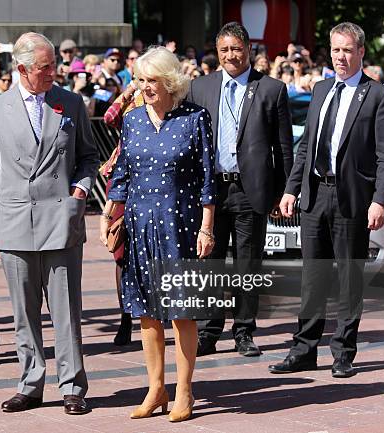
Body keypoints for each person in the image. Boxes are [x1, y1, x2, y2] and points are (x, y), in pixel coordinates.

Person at [0, 32, 98, 415]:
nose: (53, 73)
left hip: (61, 221)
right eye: (45, 67)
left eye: (54, 66)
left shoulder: (70, 103)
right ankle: (30, 384)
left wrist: (80, 189)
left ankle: (73, 386)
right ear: (22, 69)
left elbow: (89, 157)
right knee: (23, 314)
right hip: (14, 222)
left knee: (66, 311)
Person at [269, 22, 384, 378]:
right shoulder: (322, 89)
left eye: (347, 50)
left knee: (348, 276)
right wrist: (291, 189)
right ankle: (303, 350)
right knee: (313, 275)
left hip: (352, 199)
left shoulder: (377, 96)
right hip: (314, 194)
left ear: (361, 53)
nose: (340, 57)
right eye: (335, 50)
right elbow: (307, 146)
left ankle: (343, 352)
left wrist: (380, 200)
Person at [101, 46, 215, 422]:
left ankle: (185, 390)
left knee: (182, 312)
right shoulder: (132, 121)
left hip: (180, 225)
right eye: (140, 80)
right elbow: (121, 175)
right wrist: (108, 212)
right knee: (147, 314)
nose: (145, 87)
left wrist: (207, 227)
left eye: (152, 81)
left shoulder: (194, 118)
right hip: (139, 225)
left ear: (170, 83)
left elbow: (207, 180)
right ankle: (156, 388)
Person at [187, 22, 294, 357]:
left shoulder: (271, 89)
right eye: (224, 50)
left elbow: (284, 146)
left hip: (252, 190)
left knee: (249, 264)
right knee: (211, 262)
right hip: (211, 191)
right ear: (217, 54)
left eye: (236, 48)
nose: (230, 55)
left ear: (249, 49)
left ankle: (244, 330)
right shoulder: (199, 88)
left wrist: (284, 191)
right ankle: (208, 329)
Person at [99, 81, 143, 345]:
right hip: (122, 179)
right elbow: (109, 117)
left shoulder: (168, 104)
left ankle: (154, 314)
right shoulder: (131, 104)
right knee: (120, 251)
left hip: (152, 181)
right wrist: (128, 90)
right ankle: (125, 318)